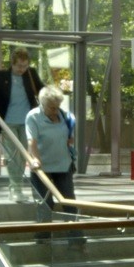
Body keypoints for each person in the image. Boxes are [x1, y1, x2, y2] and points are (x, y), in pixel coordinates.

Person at [0, 47, 44, 201]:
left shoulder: (31, 74)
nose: (22, 69)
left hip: (28, 123)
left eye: (25, 66)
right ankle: (16, 190)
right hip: (7, 123)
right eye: (19, 66)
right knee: (13, 156)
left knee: (23, 156)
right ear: (12, 63)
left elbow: (42, 89)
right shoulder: (1, 76)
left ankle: (19, 189)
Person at [25, 84, 84, 245]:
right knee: (45, 204)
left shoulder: (65, 116)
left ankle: (76, 238)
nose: (54, 110)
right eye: (51, 107)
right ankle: (43, 240)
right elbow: (32, 141)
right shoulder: (33, 117)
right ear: (42, 104)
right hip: (41, 168)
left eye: (57, 106)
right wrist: (35, 159)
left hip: (62, 165)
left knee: (69, 202)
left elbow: (69, 138)